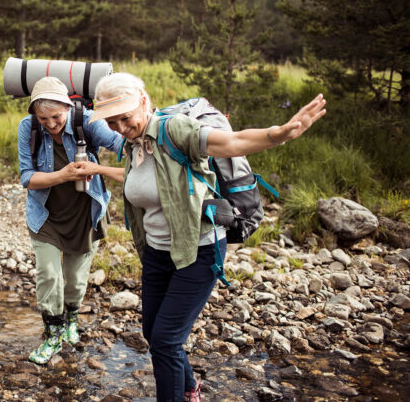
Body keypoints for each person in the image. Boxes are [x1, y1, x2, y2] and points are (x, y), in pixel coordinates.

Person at [89, 73, 326, 402]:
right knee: (152, 332)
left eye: (124, 118)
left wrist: (280, 134)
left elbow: (232, 142)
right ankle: (189, 389)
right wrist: (99, 170)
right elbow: (142, 183)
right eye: (111, 122)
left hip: (198, 251)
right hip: (157, 254)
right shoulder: (133, 143)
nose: (119, 128)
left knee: (166, 341)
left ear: (143, 101)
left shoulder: (175, 131)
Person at [17, 76, 125, 364]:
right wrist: (63, 175)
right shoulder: (28, 129)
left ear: (68, 107)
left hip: (85, 213)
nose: (51, 124)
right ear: (34, 115)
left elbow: (119, 142)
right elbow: (27, 178)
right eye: (44, 118)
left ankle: (72, 320)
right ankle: (53, 335)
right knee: (49, 275)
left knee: (76, 280)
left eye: (56, 117)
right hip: (46, 216)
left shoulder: (86, 122)